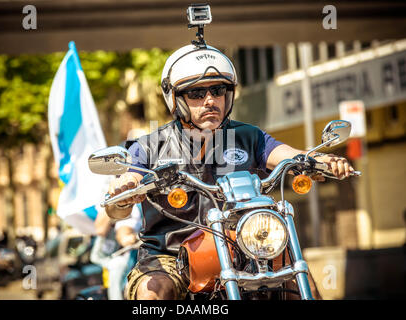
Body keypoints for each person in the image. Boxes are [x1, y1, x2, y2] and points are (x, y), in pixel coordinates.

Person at [104, 42, 355, 300]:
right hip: (171, 256)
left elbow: (288, 155)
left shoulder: (249, 137)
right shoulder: (149, 146)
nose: (210, 100)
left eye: (218, 90)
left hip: (245, 247)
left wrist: (318, 160)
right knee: (152, 292)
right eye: (196, 94)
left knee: (299, 279)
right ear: (176, 99)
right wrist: (124, 189)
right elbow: (121, 196)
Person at [90, 204, 141, 300]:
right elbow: (101, 229)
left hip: (132, 255)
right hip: (109, 257)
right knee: (118, 264)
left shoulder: (137, 208)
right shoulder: (116, 202)